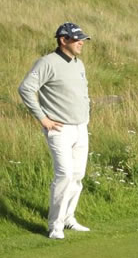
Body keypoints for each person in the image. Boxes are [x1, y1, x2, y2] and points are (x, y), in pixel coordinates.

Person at [18, 23, 92, 240]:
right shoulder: (47, 62)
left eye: (82, 39)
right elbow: (26, 88)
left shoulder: (79, 63)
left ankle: (69, 218)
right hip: (59, 129)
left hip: (81, 127)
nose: (81, 43)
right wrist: (43, 118)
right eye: (77, 39)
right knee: (64, 175)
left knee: (78, 176)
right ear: (63, 40)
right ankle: (55, 226)